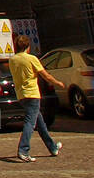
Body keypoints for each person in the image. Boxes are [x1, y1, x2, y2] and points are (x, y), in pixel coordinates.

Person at [8, 34, 64, 162]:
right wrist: (58, 83)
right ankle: (23, 150)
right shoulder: (31, 58)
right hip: (32, 94)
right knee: (30, 123)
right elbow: (45, 75)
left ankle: (52, 147)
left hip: (21, 95)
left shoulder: (12, 60)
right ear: (28, 46)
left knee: (40, 123)